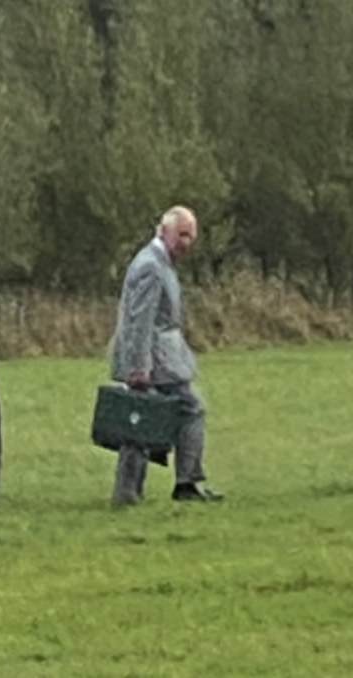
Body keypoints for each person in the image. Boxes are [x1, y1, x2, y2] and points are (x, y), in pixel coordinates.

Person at [108, 205, 222, 505]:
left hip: (161, 357)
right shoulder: (151, 266)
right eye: (182, 234)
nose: (187, 243)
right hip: (155, 360)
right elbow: (139, 320)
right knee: (188, 409)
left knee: (141, 421)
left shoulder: (160, 262)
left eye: (191, 237)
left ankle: (129, 492)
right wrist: (139, 367)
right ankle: (185, 483)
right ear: (164, 230)